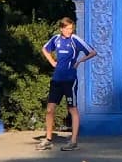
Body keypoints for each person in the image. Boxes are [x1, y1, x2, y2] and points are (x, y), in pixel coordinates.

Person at [38, 17, 96, 151]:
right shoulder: (56, 39)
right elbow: (45, 49)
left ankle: (73, 141)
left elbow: (92, 52)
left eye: (71, 28)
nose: (70, 31)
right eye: (67, 28)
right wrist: (52, 62)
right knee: (50, 109)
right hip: (57, 79)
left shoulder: (75, 40)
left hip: (70, 80)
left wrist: (80, 61)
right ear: (61, 29)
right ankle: (48, 139)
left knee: (72, 109)